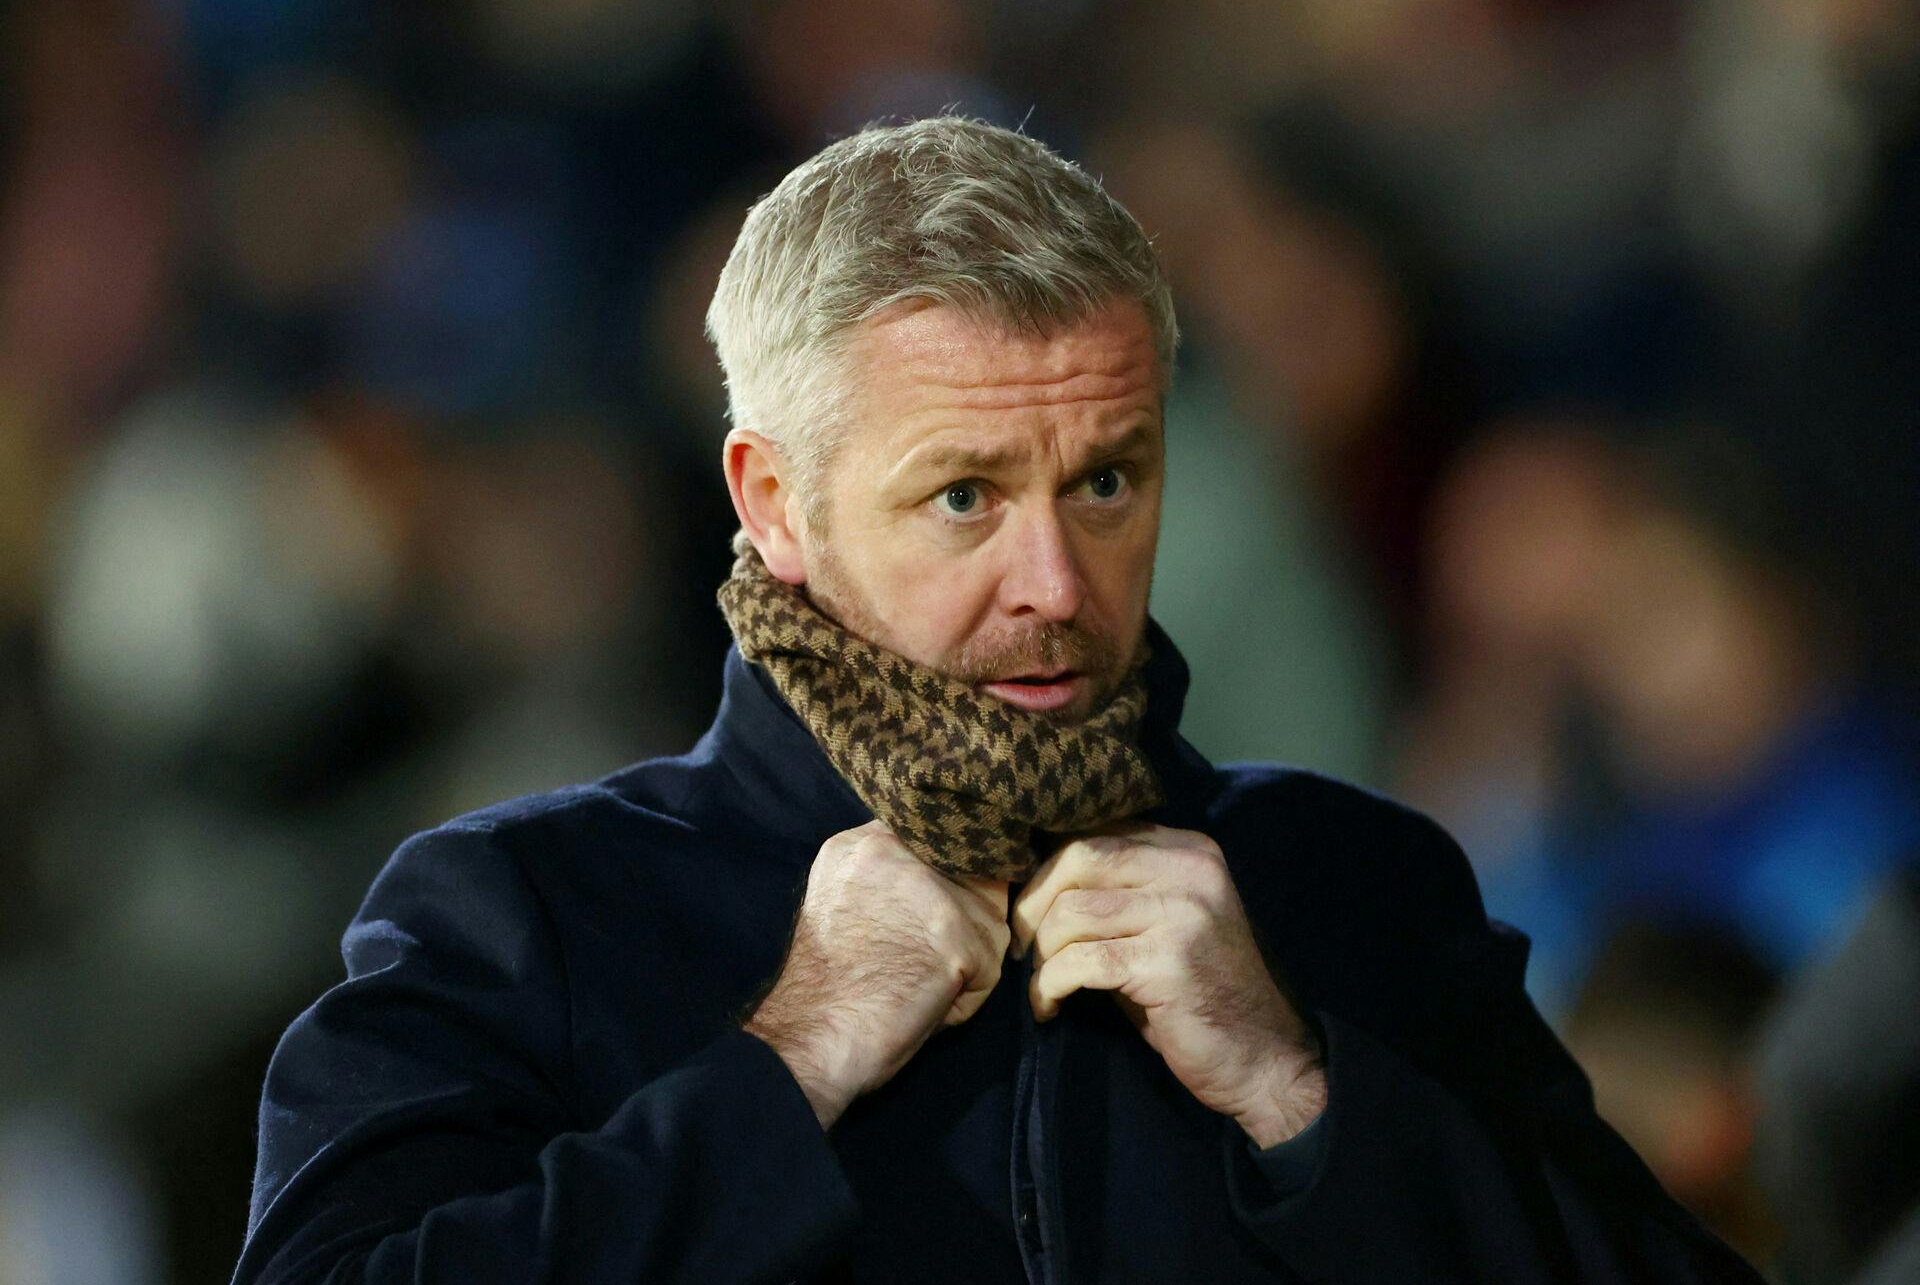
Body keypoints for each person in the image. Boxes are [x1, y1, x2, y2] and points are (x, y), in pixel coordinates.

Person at [233, 117, 1760, 1284]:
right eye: (964, 495)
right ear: (775, 502)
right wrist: (785, 1063)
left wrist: (1303, 1094)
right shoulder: (523, 917)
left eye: (1105, 479)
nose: (1054, 578)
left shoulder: (1355, 890)